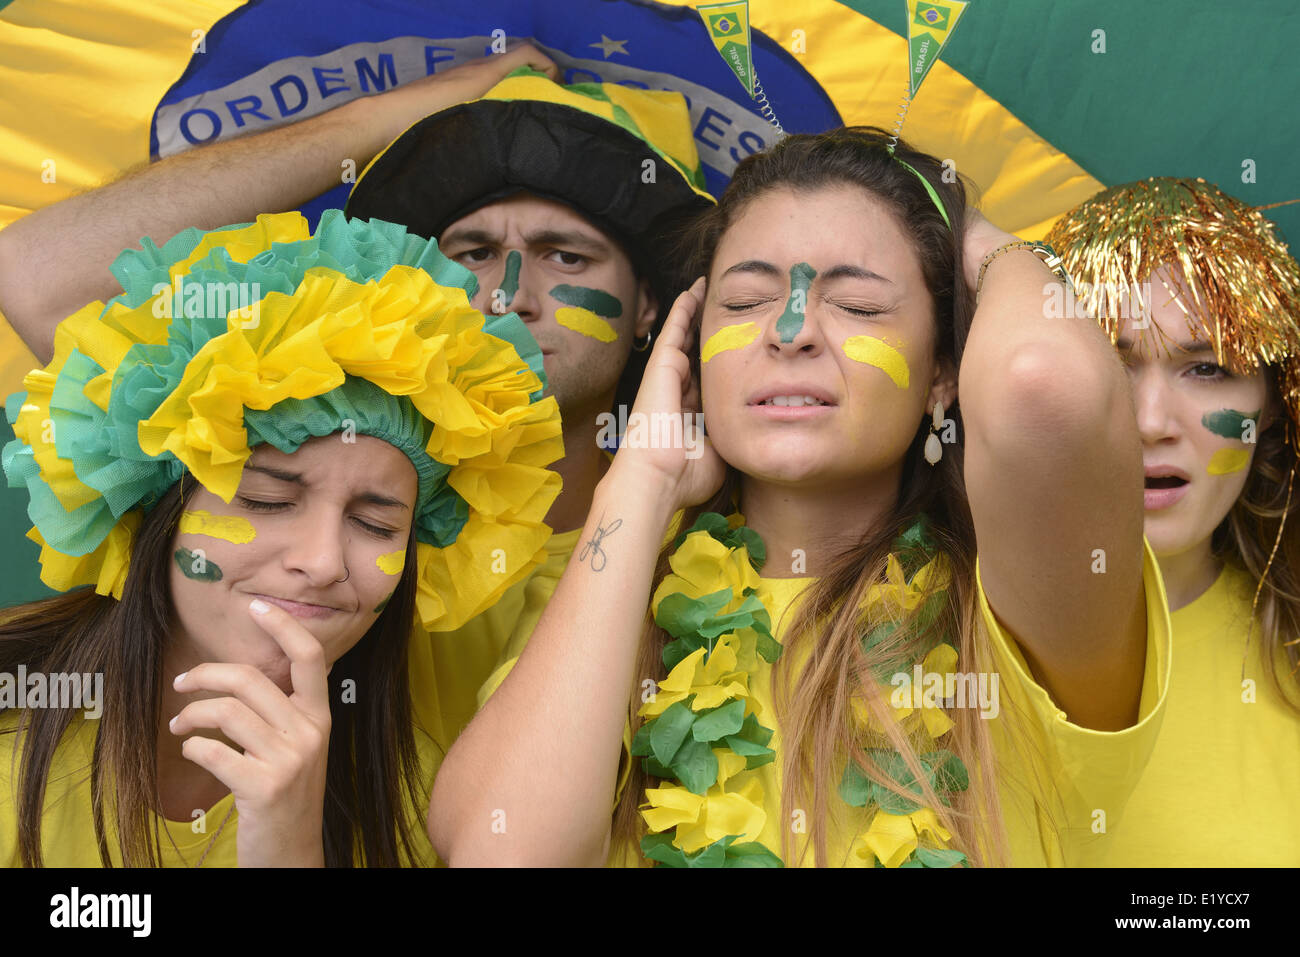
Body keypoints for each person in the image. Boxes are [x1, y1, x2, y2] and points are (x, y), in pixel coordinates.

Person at [429, 127, 1173, 867]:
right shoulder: (608, 591)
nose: (789, 332)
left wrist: (967, 230)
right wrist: (643, 475)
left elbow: (1042, 380)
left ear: (943, 372)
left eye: (858, 305)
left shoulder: (1018, 608)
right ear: (686, 348)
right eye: (746, 300)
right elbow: (502, 851)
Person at [0, 49, 713, 758]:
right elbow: (31, 275)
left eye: (567, 256)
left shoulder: (711, 534)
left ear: (649, 303)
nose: (508, 295)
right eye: (470, 253)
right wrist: (395, 116)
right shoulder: (323, 496)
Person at [0, 211, 563, 866]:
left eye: (376, 524)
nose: (322, 562)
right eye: (268, 500)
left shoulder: (420, 794)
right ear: (158, 508)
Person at [1045, 177, 1300, 865]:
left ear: (1273, 404)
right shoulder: (929, 632)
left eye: (1209, 369)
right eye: (1108, 362)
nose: (1150, 423)